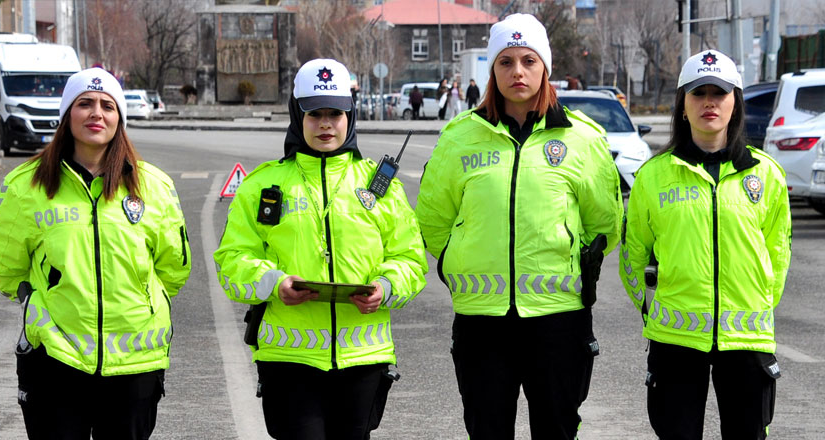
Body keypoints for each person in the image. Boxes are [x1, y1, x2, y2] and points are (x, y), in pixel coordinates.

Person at [415, 13, 622, 439]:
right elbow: (433, 221)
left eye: (528, 60)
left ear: (545, 67)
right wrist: (459, 260)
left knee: (557, 430)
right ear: (492, 70)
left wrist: (567, 256)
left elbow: (605, 222)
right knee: (487, 431)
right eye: (506, 62)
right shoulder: (459, 137)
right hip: (482, 321)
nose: (518, 72)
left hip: (558, 320)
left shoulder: (582, 139)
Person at [213, 58, 428, 440]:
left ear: (350, 115)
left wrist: (387, 287)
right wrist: (273, 283)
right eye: (314, 114)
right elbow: (232, 260)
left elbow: (409, 258)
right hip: (289, 360)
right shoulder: (263, 185)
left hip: (363, 360)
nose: (326, 124)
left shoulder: (381, 186)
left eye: (335, 113)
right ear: (298, 115)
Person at [0, 67, 192, 439]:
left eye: (108, 106)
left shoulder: (153, 187)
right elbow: (4, 267)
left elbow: (174, 268)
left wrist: (140, 301)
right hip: (54, 362)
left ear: (119, 120)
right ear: (67, 115)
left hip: (135, 365)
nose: (97, 113)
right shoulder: (26, 185)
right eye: (85, 104)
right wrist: (38, 304)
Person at [619, 49, 791, 440]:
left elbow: (778, 255)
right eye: (698, 94)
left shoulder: (766, 175)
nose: (709, 102)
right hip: (676, 338)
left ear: (736, 103)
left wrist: (757, 301)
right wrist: (655, 309)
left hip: (746, 338)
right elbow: (632, 255)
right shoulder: (653, 176)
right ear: (682, 105)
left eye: (720, 93)